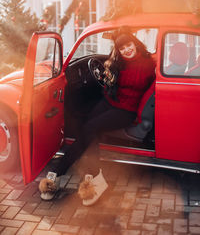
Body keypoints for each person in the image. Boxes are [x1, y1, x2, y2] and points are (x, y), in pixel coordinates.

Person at [39, 26, 156, 205]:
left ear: (135, 43)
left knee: (90, 128)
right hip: (110, 101)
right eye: (122, 48)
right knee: (85, 127)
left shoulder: (149, 64)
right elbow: (112, 81)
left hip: (125, 111)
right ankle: (94, 175)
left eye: (129, 45)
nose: (127, 50)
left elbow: (138, 80)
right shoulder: (119, 61)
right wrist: (109, 74)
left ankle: (58, 171)